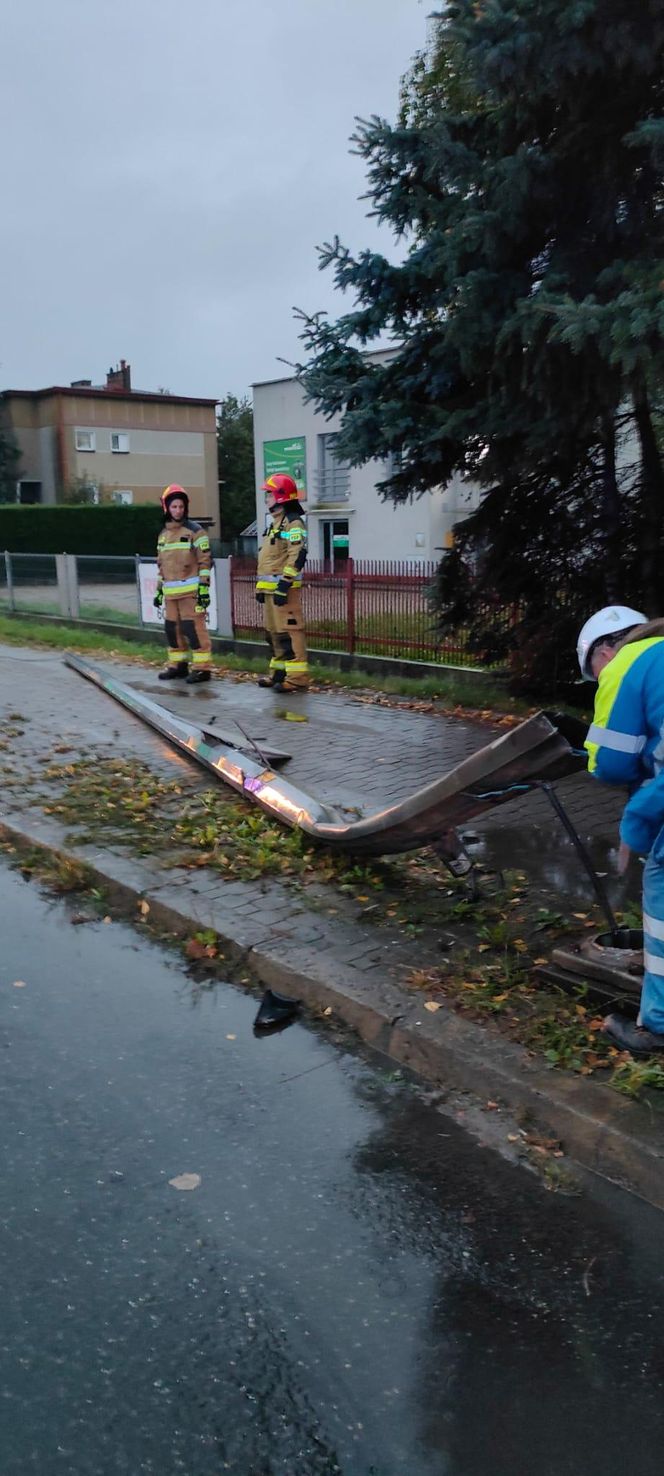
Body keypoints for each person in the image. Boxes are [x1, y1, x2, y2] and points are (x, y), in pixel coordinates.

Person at [577, 602, 664, 1053]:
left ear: (605, 650)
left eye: (593, 672)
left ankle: (659, 1027)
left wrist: (636, 823)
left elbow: (609, 764)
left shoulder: (626, 664)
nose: (598, 681)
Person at [153, 484, 213, 683]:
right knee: (172, 631)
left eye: (181, 506)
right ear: (167, 508)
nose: (178, 510)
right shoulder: (163, 536)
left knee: (194, 630)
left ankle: (202, 669)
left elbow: (205, 561)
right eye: (174, 507)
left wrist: (204, 588)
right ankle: (178, 666)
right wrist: (159, 590)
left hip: (190, 594)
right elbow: (161, 566)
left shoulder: (196, 532)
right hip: (171, 595)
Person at [255, 473, 309, 692]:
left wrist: (285, 584)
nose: (266, 498)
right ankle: (278, 674)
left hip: (284, 590)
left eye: (268, 494)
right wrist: (260, 587)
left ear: (280, 496)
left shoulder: (293, 523)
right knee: (274, 633)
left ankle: (297, 678)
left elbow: (298, 554)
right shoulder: (275, 523)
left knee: (290, 633)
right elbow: (268, 560)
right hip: (271, 591)